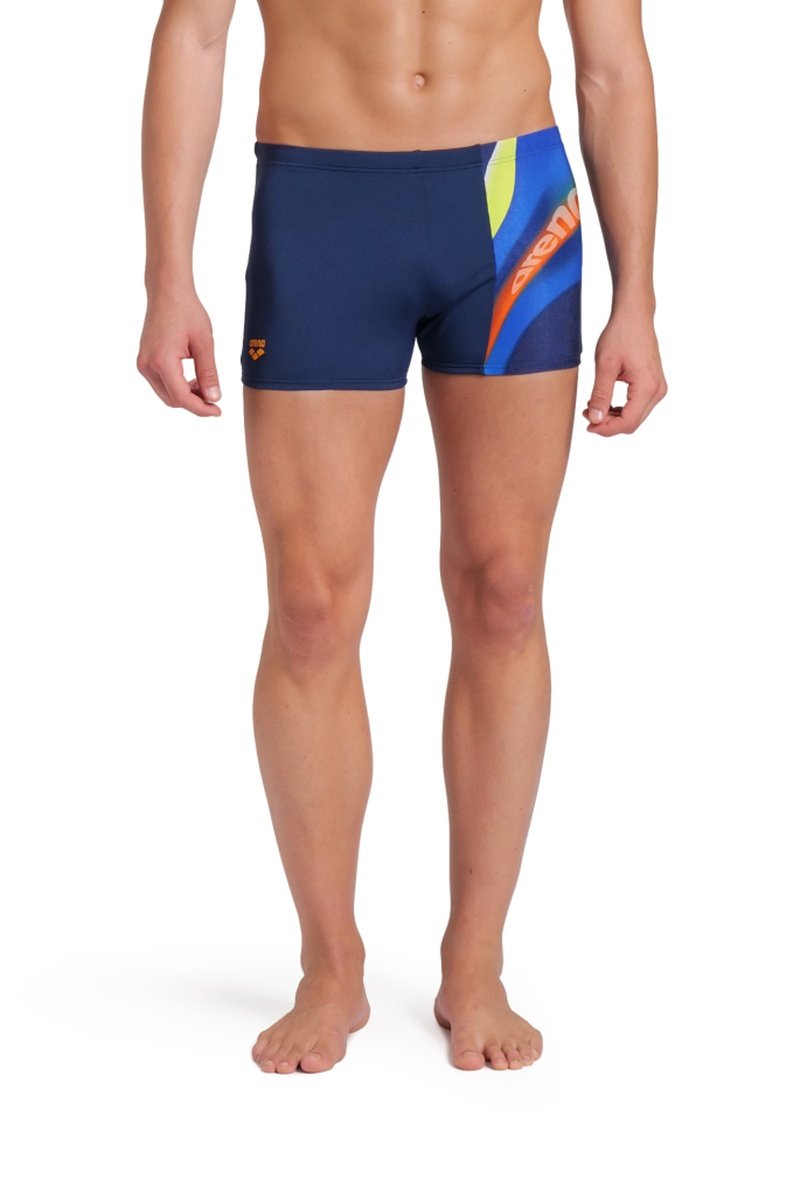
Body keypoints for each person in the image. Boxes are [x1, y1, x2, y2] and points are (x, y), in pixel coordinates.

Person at [137, 0, 668, 1074]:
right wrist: (166, 276)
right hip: (322, 204)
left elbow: (610, 64)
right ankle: (329, 964)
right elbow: (193, 34)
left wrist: (638, 299)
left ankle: (476, 960)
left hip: (512, 202)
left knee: (505, 593)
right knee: (309, 605)